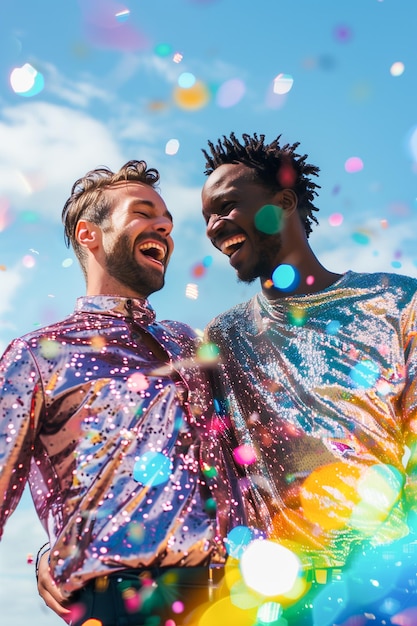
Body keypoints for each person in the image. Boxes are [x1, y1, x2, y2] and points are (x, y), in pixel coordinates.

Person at [199, 132, 417, 625]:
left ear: (284, 201)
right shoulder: (224, 337)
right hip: (278, 602)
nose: (214, 227)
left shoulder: (397, 304)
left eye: (228, 206)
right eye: (207, 218)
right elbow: (208, 468)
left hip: (393, 594)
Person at [0, 160, 225, 626]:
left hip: (231, 599)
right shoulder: (37, 355)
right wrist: (54, 551)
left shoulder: (190, 343)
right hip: (118, 600)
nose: (163, 226)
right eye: (144, 213)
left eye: (167, 221)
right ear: (89, 234)